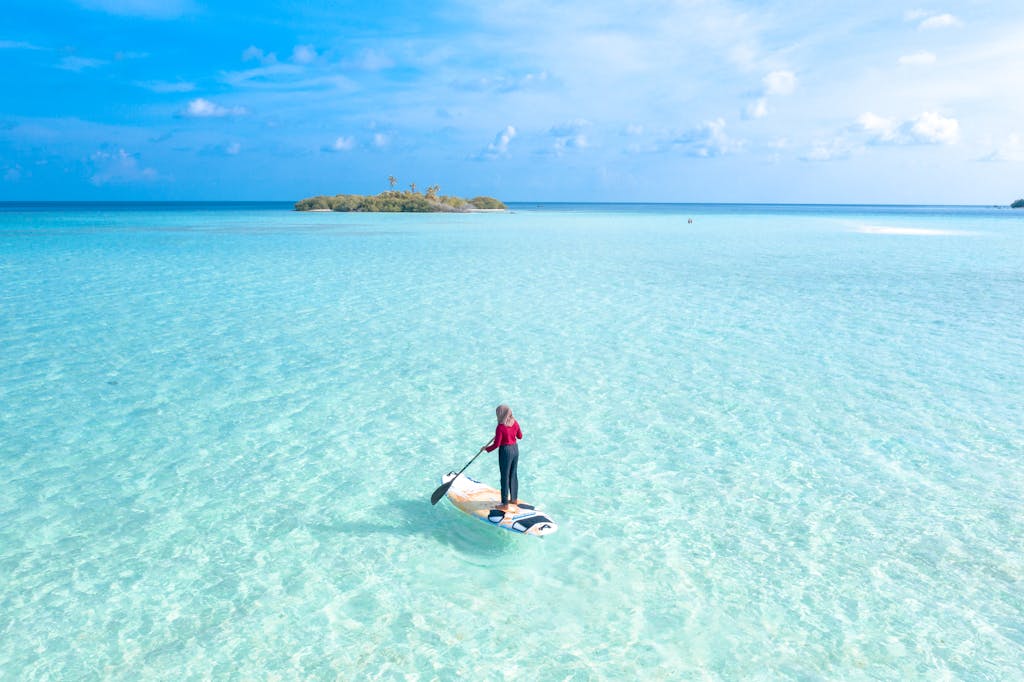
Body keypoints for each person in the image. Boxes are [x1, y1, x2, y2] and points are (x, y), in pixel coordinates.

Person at [485, 404, 523, 513]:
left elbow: (497, 444)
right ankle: (514, 499)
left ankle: (505, 504)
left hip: (506, 451)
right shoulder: (514, 422)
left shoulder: (500, 427)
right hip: (515, 449)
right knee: (513, 474)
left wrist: (486, 449)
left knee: (504, 477)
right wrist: (512, 432)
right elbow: (520, 436)